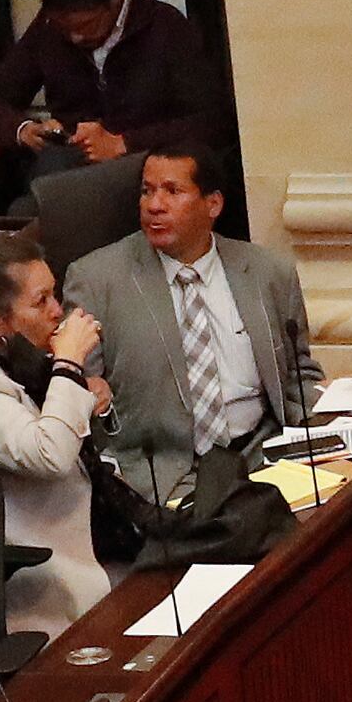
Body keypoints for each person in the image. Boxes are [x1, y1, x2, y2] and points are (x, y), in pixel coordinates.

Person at [60, 146, 317, 529]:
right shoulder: (96, 281)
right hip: (159, 480)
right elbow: (84, 400)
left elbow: (300, 376)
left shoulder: (266, 272)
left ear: (212, 204)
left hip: (261, 459)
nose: (154, 206)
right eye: (147, 191)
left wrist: (328, 435)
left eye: (171, 191)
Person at [0, 225, 112, 637]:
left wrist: (79, 387)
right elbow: (48, 455)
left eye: (54, 293)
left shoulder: (17, 354)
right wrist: (68, 365)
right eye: (41, 302)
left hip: (90, 539)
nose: (58, 311)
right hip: (43, 587)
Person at [0, 0, 229, 203]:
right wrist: (23, 129)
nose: (75, 37)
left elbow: (213, 121)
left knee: (52, 206)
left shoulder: (166, 29)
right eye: (64, 27)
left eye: (86, 25)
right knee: (46, 194)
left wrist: (124, 143)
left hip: (147, 167)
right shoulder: (49, 29)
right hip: (70, 167)